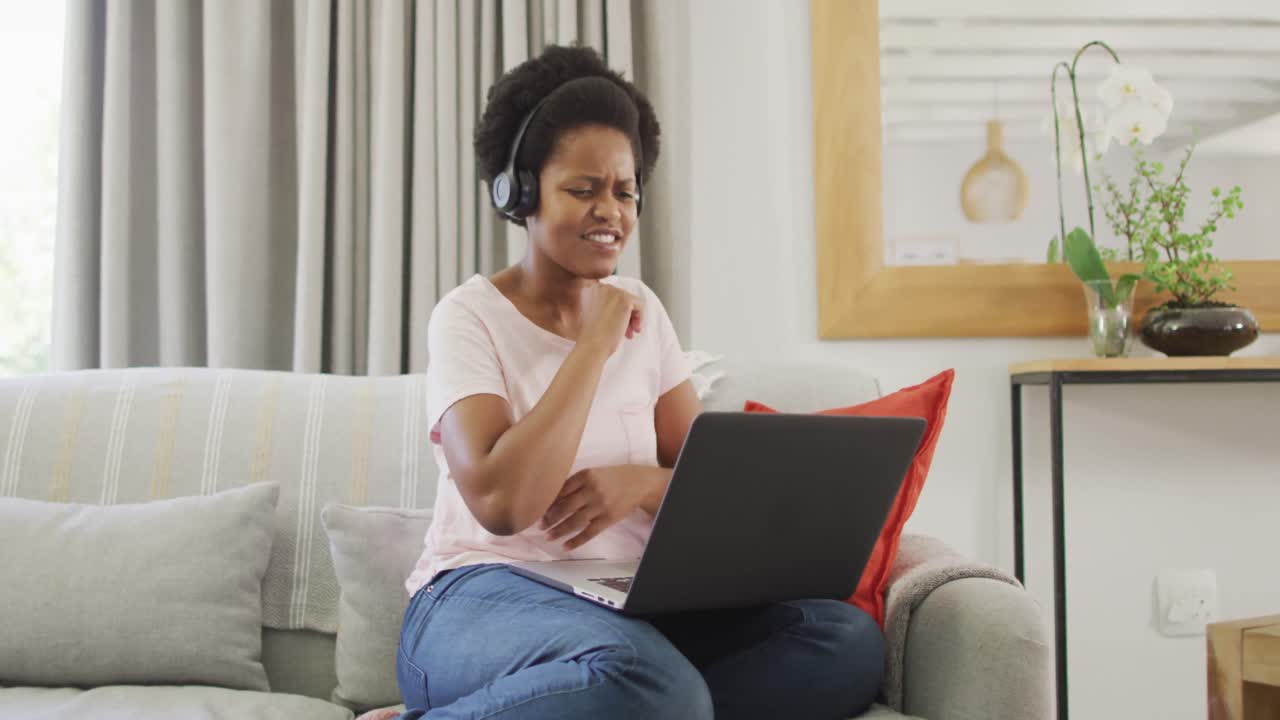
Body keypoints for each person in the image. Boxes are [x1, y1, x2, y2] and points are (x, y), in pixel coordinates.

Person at [393, 45, 885, 720]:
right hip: (480, 598)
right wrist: (592, 345)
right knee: (653, 684)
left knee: (841, 639)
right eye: (583, 189)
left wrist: (643, 484)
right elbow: (503, 502)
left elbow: (702, 476)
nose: (611, 212)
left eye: (625, 191)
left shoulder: (642, 310)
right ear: (521, 192)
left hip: (623, 605)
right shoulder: (468, 316)